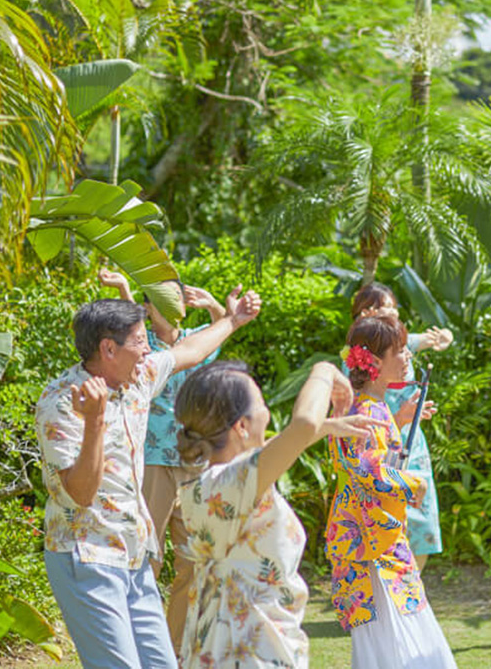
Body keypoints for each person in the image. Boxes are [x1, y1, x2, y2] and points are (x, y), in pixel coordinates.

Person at [35, 288, 260, 669]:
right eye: (140, 341)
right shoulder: (61, 404)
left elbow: (189, 351)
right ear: (108, 349)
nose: (146, 350)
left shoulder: (137, 378)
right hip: (87, 555)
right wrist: (94, 423)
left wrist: (232, 321)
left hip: (134, 552)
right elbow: (80, 494)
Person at [173, 360, 371, 668]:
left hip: (217, 646)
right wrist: (324, 370)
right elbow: (303, 423)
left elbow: (276, 449)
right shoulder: (236, 482)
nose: (266, 412)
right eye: (261, 405)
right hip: (252, 651)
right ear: (241, 426)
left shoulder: (204, 486)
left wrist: (326, 427)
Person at [98, 269, 228, 653]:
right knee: (146, 556)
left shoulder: (194, 340)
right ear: (147, 308)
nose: (172, 304)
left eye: (177, 297)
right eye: (160, 299)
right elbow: (128, 327)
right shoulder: (143, 346)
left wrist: (214, 305)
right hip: (154, 461)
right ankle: (139, 644)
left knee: (193, 560)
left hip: (194, 463)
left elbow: (225, 327)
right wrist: (124, 288)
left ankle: (175, 649)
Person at [326, 313, 457, 669]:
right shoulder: (363, 410)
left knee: (392, 627)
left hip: (374, 535)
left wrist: (400, 421)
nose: (407, 356)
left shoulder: (369, 406)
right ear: (374, 362)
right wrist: (415, 483)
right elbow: (368, 471)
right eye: (399, 350)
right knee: (395, 625)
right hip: (368, 541)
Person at [348, 282, 453, 569]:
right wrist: (400, 418)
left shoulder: (394, 340)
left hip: (410, 442)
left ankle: (410, 585)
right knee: (390, 527)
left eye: (394, 307)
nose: (407, 357)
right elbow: (365, 438)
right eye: (386, 307)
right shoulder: (359, 376)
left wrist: (444, 336)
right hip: (384, 450)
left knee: (420, 524)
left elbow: (437, 338)